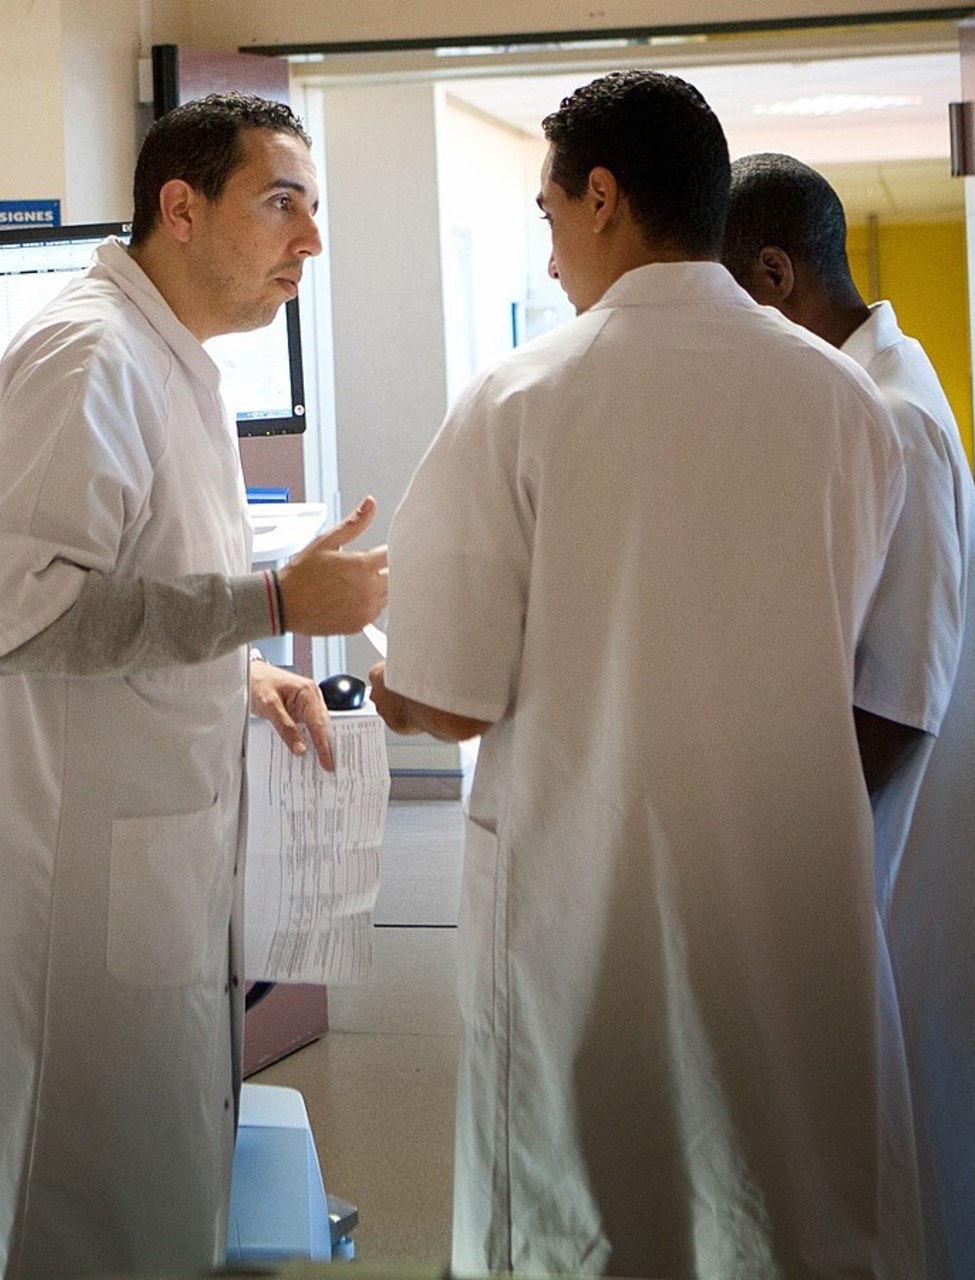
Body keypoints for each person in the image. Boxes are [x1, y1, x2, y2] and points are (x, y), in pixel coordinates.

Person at [369, 71, 922, 1278]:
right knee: (789, 1194)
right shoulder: (846, 402)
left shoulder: (519, 397)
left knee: (590, 1208)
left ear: (602, 197)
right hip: (790, 887)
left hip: (590, 896)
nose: (550, 252)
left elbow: (447, 698)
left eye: (550, 212)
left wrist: (381, 682)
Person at [0, 93, 387, 1279]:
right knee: (68, 1212)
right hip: (68, 906)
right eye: (281, 203)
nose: (309, 240)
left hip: (140, 868)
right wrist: (274, 603)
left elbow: (137, 578)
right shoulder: (89, 355)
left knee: (144, 1196)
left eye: (313, 209)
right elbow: (31, 613)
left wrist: (242, 663)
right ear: (181, 206)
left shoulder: (169, 361)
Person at [721, 151, 975, 1280]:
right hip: (895, 836)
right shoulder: (870, 391)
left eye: (726, 302)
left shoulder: (892, 417)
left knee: (941, 1137)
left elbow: (896, 705)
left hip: (910, 846)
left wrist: (788, 852)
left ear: (773, 275)